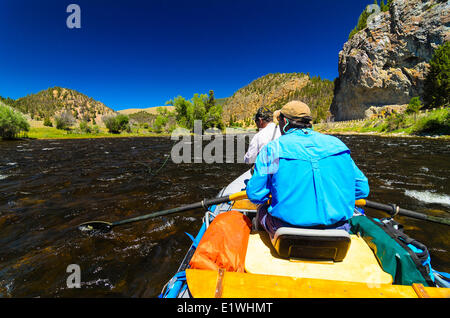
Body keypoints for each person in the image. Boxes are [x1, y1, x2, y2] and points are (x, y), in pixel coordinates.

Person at [246, 100, 370, 238]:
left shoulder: (272, 149)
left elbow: (255, 194)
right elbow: (362, 189)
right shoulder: (338, 145)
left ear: (285, 122)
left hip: (285, 232)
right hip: (339, 230)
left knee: (262, 208)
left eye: (279, 120)